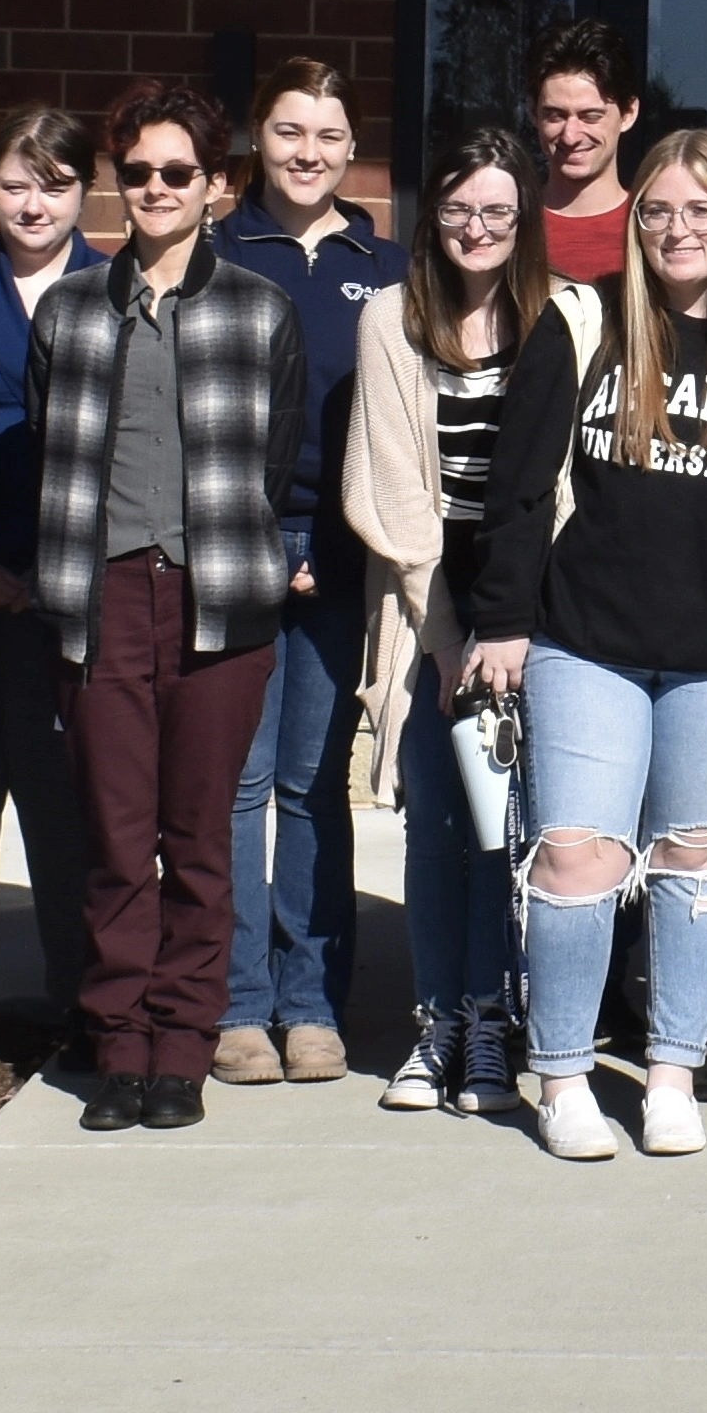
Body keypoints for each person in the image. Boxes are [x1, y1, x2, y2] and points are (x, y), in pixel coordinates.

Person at [467, 128, 707, 1162]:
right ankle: (565, 1073)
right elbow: (520, 485)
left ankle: (673, 1070)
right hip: (587, 643)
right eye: (659, 210)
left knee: (698, 860)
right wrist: (502, 619)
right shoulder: (582, 325)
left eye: (701, 210)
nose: (678, 229)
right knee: (578, 858)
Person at [29, 82, 309, 1131]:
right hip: (99, 597)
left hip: (218, 602)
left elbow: (273, 462)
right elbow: (54, 457)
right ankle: (119, 1042)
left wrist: (233, 557)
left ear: (216, 186)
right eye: (137, 172)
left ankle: (181, 1049)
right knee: (114, 835)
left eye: (176, 173)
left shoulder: (258, 308)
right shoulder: (69, 309)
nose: (154, 188)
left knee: (198, 838)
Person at [343, 125, 551, 1118]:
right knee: (437, 819)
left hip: (532, 607)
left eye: (498, 211)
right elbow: (394, 489)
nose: (477, 228)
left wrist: (510, 624)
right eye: (460, 208)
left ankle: (490, 1022)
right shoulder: (390, 319)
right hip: (425, 603)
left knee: (506, 827)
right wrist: (444, 639)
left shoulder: (557, 318)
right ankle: (437, 1022)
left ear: (524, 220)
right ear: (435, 217)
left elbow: (557, 487)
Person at [213, 57, 403, 1087]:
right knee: (237, 788)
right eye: (289, 131)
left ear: (350, 147)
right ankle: (237, 1003)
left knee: (313, 783)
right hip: (234, 551)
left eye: (328, 135)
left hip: (339, 557)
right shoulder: (213, 248)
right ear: (258, 135)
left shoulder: (386, 261)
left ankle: (312, 1003)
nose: (308, 152)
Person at [0, 100, 106, 1080]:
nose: (32, 201)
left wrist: (48, 580)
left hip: (78, 591)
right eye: (13, 181)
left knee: (65, 791)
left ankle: (78, 990)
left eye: (54, 182)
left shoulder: (112, 286)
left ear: (83, 191)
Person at [525, 15, 645, 285]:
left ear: (628, 113)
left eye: (590, 116)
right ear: (532, 112)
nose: (571, 135)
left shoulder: (655, 229)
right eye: (555, 115)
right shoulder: (506, 227)